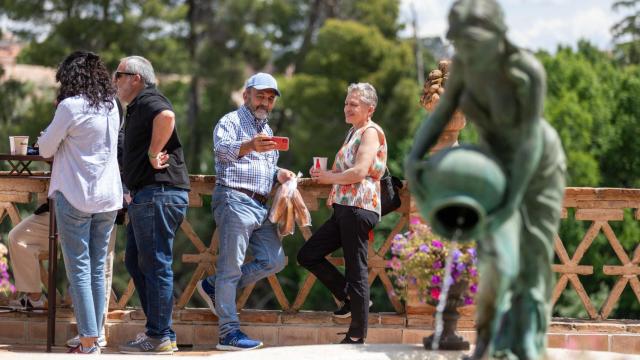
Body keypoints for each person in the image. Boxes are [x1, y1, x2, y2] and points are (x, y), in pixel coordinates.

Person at [405, 1, 566, 359]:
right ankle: (489, 338)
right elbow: (440, 115)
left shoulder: (527, 72)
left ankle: (527, 340)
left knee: (532, 251)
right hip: (493, 161)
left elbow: (527, 144)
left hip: (538, 164)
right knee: (496, 254)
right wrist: (414, 158)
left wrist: (510, 202)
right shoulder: (464, 67)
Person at [195, 72, 293, 351]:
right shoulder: (231, 121)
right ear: (246, 94)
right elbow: (221, 152)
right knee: (231, 268)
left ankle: (213, 286)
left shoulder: (268, 130)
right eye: (260, 95)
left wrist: (279, 173)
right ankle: (228, 333)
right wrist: (250, 145)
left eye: (270, 98)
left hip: (261, 206)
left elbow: (260, 168)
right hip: (234, 200)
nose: (265, 101)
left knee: (275, 261)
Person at [38, 50, 123, 354]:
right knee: (97, 268)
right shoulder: (112, 105)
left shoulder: (70, 106)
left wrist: (46, 135)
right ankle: (95, 335)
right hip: (109, 197)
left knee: (79, 269)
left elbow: (46, 149)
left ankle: (88, 341)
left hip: (76, 194)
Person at [297, 83, 386, 344]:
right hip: (344, 207)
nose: (347, 107)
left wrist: (328, 178)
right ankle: (351, 298)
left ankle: (357, 335)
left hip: (359, 207)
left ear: (370, 109)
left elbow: (359, 172)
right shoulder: (353, 132)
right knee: (308, 255)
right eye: (346, 103)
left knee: (356, 269)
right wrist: (326, 177)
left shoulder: (370, 132)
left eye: (353, 104)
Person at [114, 55, 190, 355]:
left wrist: (153, 152)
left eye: (119, 74)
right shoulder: (135, 107)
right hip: (147, 196)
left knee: (156, 264)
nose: (114, 80)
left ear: (136, 78)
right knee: (136, 261)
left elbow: (167, 117)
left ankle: (159, 335)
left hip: (158, 193)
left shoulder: (149, 98)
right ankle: (160, 330)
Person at [7, 203, 118, 348]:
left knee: (96, 268)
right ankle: (35, 299)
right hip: (64, 207)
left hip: (102, 205)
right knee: (17, 237)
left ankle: (95, 333)